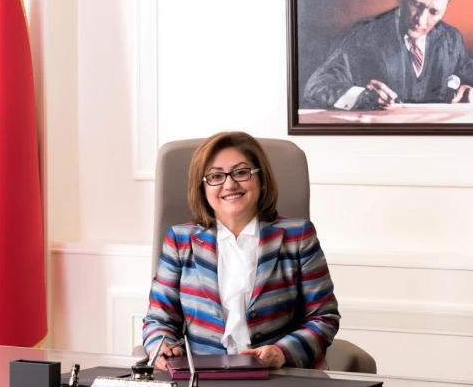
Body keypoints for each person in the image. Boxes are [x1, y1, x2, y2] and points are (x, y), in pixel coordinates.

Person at [142, 132, 340, 371]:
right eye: (216, 176)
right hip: (203, 380)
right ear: (202, 187)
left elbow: (323, 317)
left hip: (278, 377)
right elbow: (159, 319)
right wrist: (159, 344)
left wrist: (281, 353)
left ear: (261, 179)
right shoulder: (180, 240)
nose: (229, 184)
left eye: (241, 172)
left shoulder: (298, 237)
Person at [304, 0, 473, 111]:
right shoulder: (366, 35)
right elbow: (316, 85)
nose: (421, 20)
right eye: (417, 4)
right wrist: (362, 96)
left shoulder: (451, 40)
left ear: (445, 9)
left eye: (434, 12)